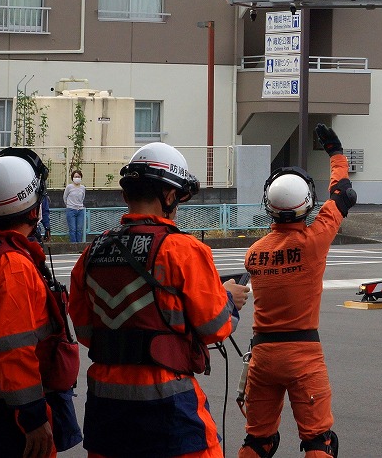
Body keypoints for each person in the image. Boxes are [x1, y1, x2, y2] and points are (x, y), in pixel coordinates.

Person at [69, 142, 250, 458]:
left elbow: (85, 333)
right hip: (168, 405)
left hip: (105, 407)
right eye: (178, 198)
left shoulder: (92, 252)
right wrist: (229, 299)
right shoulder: (184, 250)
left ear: (127, 195)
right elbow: (214, 327)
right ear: (169, 196)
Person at [0, 147, 83, 458]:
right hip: (12, 417)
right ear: (33, 208)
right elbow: (14, 351)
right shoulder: (13, 266)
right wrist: (33, 417)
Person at [238, 124, 357, 458]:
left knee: (258, 440)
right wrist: (335, 154)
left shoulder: (254, 253)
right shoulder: (314, 241)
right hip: (303, 354)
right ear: (307, 204)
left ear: (268, 205)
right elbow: (344, 195)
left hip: (262, 356)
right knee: (319, 440)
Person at [63, 171, 86, 243]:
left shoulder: (82, 188)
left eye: (78, 177)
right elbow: (65, 197)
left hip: (80, 210)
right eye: (75, 177)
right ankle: (73, 246)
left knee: (79, 229)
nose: (77, 178)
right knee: (72, 229)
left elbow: (83, 197)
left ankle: (79, 245)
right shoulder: (69, 187)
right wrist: (69, 205)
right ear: (72, 178)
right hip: (71, 210)